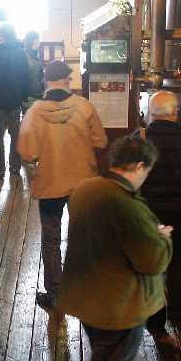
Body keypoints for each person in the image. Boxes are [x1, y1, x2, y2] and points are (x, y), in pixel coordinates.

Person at [58, 135, 172, 361]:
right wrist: (163, 238)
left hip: (86, 297)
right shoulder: (126, 205)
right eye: (147, 171)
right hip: (118, 307)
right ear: (140, 166)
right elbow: (152, 262)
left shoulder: (86, 188)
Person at [18, 59, 108, 310]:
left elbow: (27, 151)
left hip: (50, 184)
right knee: (82, 236)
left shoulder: (35, 112)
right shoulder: (84, 106)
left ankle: (56, 293)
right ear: (67, 80)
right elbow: (100, 141)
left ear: (46, 81)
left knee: (51, 239)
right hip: (83, 184)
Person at [137, 91, 181, 335]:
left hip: (148, 212)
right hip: (178, 212)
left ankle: (155, 320)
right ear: (175, 112)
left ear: (151, 112)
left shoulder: (140, 138)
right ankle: (178, 315)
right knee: (176, 264)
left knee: (153, 265)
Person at [0, 21, 29, 179]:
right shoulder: (21, 52)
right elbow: (25, 77)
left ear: (2, 35)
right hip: (15, 100)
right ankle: (15, 167)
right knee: (15, 134)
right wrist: (23, 96)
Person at [21, 31, 44, 114]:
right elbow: (31, 77)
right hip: (30, 96)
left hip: (34, 95)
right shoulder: (26, 56)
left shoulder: (33, 54)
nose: (39, 42)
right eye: (38, 39)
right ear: (34, 40)